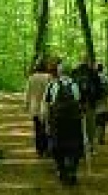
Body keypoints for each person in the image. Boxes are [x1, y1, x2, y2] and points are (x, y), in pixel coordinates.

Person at [44, 58, 84, 186]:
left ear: (59, 72)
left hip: (57, 122)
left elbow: (47, 105)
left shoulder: (52, 85)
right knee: (74, 145)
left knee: (58, 146)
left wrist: (47, 121)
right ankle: (72, 170)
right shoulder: (75, 85)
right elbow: (79, 102)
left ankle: (61, 170)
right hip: (74, 121)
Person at [24, 57, 51, 157]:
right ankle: (46, 149)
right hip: (46, 106)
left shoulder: (32, 78)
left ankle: (39, 150)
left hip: (35, 106)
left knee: (37, 128)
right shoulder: (49, 77)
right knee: (46, 128)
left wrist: (26, 104)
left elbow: (28, 92)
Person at [94, 63, 108, 145]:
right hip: (103, 101)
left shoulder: (93, 77)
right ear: (102, 69)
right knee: (102, 120)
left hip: (94, 101)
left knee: (96, 119)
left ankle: (97, 136)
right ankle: (101, 137)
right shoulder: (105, 77)